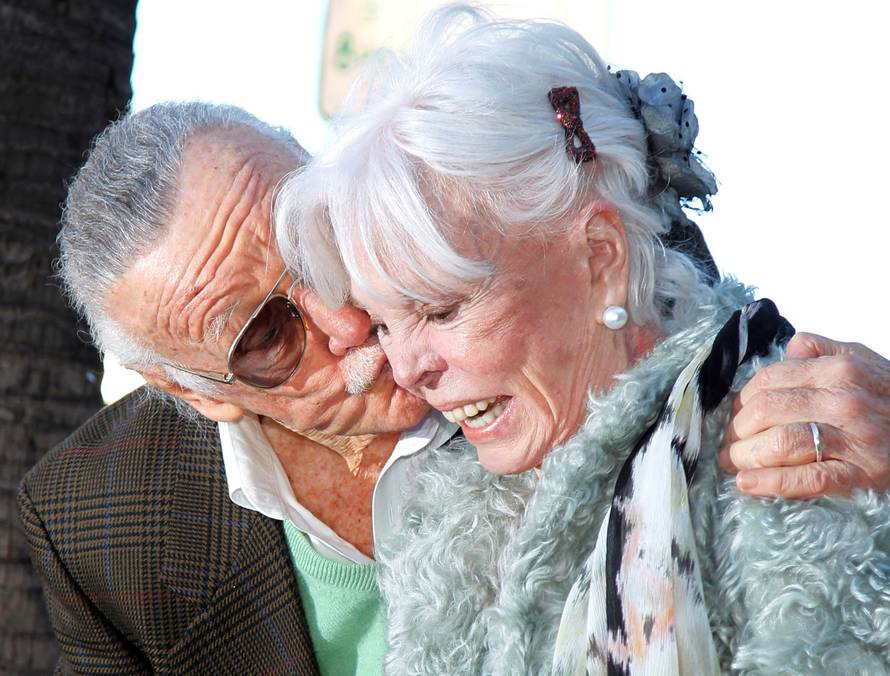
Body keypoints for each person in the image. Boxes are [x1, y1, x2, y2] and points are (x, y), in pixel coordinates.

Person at [279, 6, 890, 674]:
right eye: (387, 324)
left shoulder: (790, 453)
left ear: (600, 254)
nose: (406, 366)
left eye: (443, 309)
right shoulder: (444, 523)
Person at [17, 102, 457, 675]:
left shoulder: (516, 291)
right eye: (269, 336)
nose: (348, 323)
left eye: (321, 240)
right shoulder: (97, 524)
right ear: (195, 392)